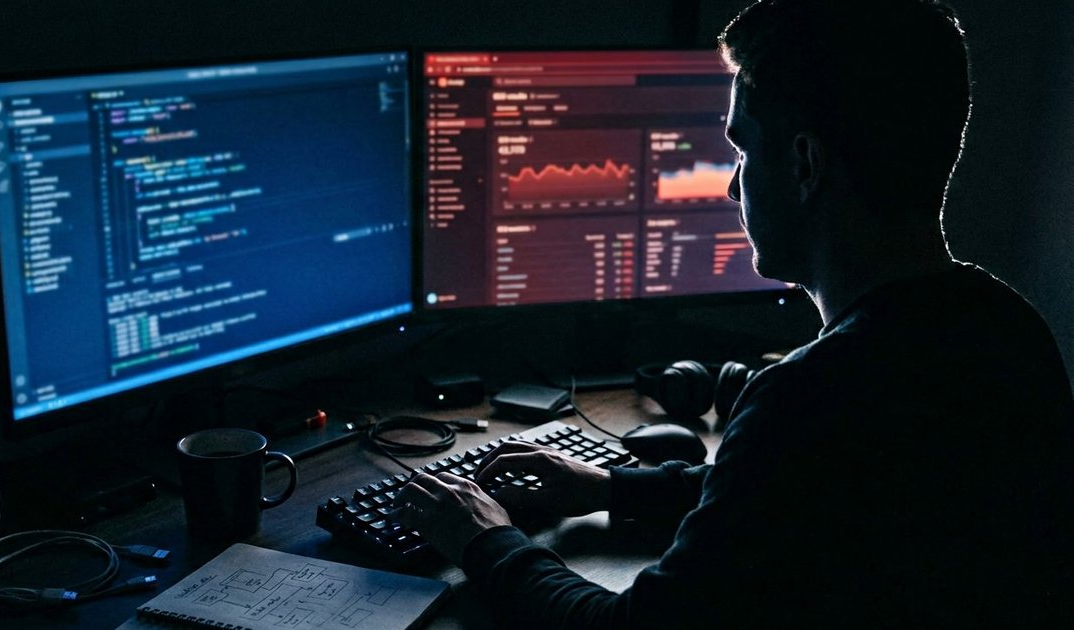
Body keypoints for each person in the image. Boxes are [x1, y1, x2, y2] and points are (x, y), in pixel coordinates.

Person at [393, 0, 1074, 627]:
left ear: (805, 165)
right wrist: (610, 487)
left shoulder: (810, 397)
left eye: (743, 149)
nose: (729, 184)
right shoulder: (1008, 330)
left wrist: (484, 539)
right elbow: (798, 497)